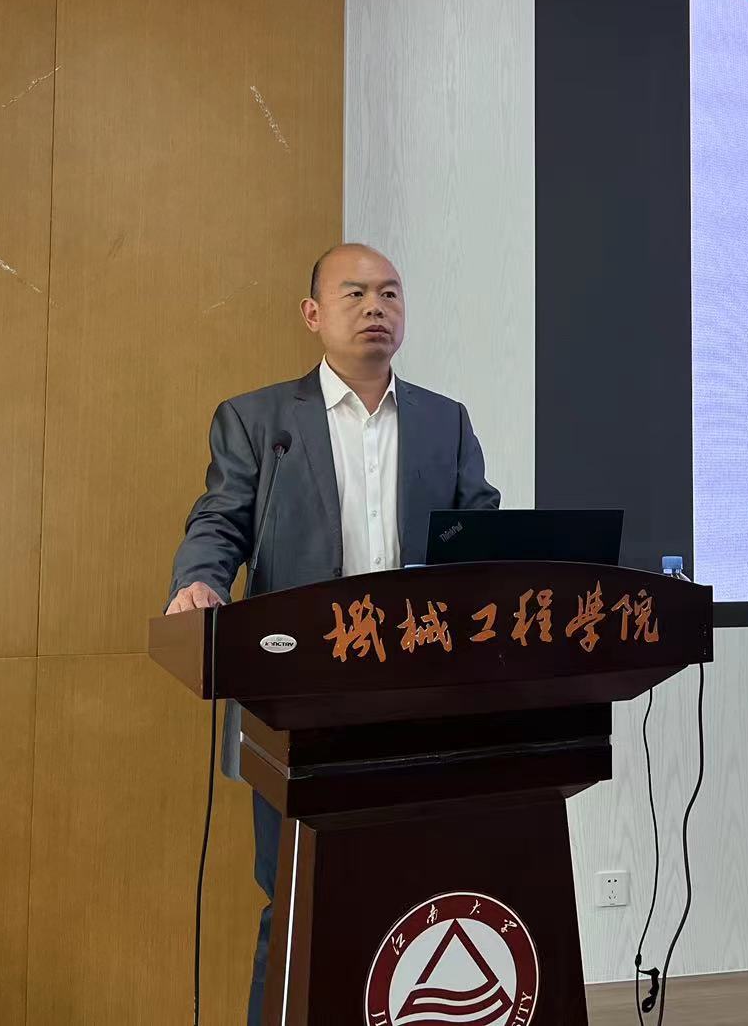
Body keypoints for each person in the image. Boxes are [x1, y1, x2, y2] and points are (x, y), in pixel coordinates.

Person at [166, 242, 500, 1026]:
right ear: (313, 314)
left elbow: (480, 535)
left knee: (419, 892)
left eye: (390, 293)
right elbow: (220, 521)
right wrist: (200, 581)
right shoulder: (258, 421)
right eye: (355, 294)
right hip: (298, 698)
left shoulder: (444, 422)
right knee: (295, 896)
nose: (375, 307)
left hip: (420, 697)